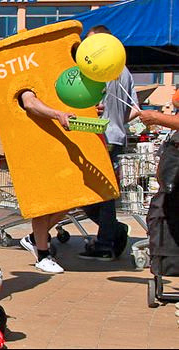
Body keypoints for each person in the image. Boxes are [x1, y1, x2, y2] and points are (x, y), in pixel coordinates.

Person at [76, 25, 140, 261]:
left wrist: (101, 116)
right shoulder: (124, 70)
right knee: (101, 193)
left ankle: (106, 241)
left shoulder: (96, 68)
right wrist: (119, 121)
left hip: (101, 138)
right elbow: (135, 109)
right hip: (117, 136)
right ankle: (112, 232)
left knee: (98, 193)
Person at [17, 89, 76, 273]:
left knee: (69, 200)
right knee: (44, 205)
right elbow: (29, 102)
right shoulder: (29, 75)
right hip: (36, 148)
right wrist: (58, 114)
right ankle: (43, 255)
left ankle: (35, 238)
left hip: (59, 148)